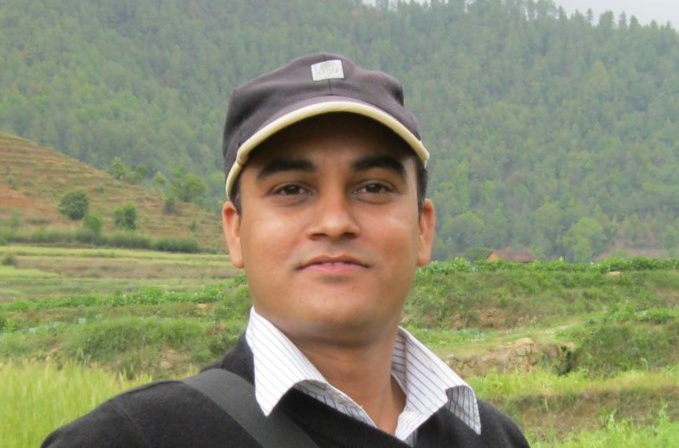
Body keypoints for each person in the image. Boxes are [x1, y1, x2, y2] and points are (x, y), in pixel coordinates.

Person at [42, 53, 530, 447]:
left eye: (373, 188)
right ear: (236, 231)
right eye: (292, 190)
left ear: (423, 229)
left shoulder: (492, 439)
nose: (334, 222)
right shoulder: (129, 439)